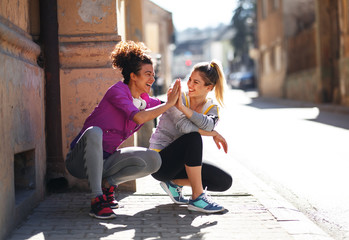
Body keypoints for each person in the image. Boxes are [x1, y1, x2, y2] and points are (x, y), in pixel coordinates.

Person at [65, 41, 181, 219]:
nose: (152, 79)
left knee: (153, 159)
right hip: (79, 161)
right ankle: (97, 199)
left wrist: (192, 103)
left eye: (153, 74)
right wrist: (169, 104)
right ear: (133, 76)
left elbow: (170, 107)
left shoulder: (145, 100)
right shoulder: (117, 92)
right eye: (147, 74)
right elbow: (139, 117)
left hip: (106, 162)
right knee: (95, 131)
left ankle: (109, 187)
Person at [149, 60, 233, 213]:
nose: (190, 85)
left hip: (179, 165)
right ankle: (197, 197)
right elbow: (185, 127)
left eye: (196, 82)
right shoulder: (177, 96)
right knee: (193, 138)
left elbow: (208, 124)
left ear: (209, 87)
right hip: (159, 161)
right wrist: (212, 134)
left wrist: (183, 109)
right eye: (190, 80)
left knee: (224, 181)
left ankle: (173, 184)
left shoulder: (211, 108)